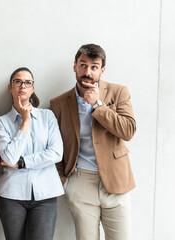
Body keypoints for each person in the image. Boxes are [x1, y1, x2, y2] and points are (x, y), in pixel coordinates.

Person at [50, 44, 136, 240]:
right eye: (83, 65)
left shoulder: (119, 92)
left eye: (94, 67)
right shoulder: (59, 103)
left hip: (116, 182)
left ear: (102, 70)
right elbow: (54, 145)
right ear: (74, 66)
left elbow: (128, 130)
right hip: (80, 182)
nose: (87, 72)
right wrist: (65, 181)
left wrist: (98, 105)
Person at [0, 67, 64, 240]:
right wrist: (25, 123)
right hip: (11, 196)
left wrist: (22, 162)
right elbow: (9, 158)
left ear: (32, 88)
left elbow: (56, 153)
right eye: (18, 82)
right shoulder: (1, 123)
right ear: (11, 87)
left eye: (27, 82)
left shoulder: (47, 117)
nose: (22, 86)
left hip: (45, 196)